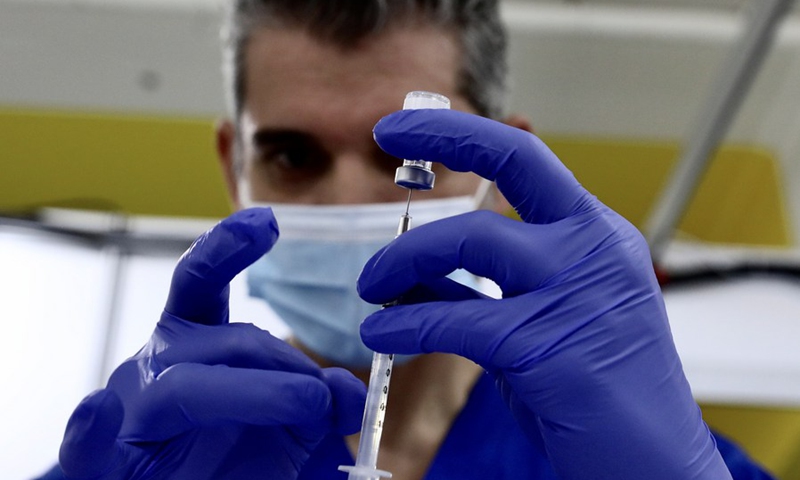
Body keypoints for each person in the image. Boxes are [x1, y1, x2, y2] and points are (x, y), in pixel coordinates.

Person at [39, 1, 773, 479]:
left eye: (407, 155)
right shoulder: (154, 459)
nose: (351, 199)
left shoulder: (649, 458)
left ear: (503, 167)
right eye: (293, 155)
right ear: (234, 166)